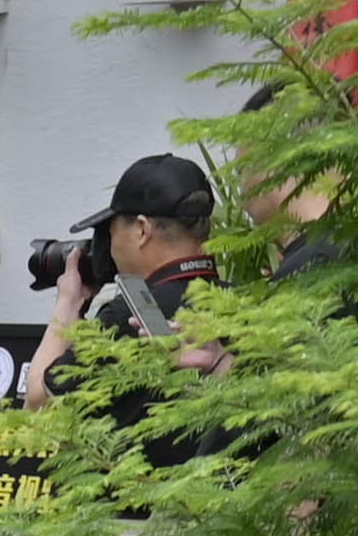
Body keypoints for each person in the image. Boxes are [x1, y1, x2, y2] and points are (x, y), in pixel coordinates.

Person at [15, 150, 226, 414]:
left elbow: (37, 404)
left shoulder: (132, 314)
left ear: (141, 230)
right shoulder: (243, 301)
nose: (108, 248)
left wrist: (69, 303)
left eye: (110, 232)